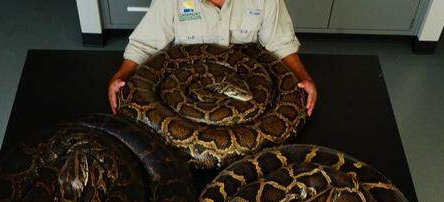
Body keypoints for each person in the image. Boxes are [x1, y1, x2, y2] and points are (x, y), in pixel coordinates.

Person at [107, 0, 318, 117]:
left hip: (243, 82)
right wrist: (121, 75)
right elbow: (144, 44)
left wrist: (303, 77)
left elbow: (281, 43)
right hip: (184, 91)